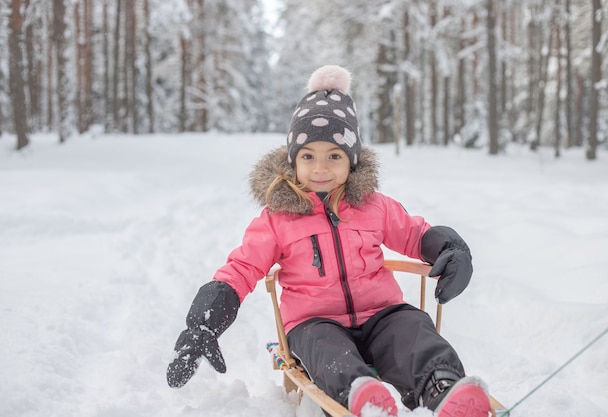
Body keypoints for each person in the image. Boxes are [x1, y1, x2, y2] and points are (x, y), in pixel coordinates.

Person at [166, 65, 490, 417]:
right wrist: (202, 324)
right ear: (293, 161)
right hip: (314, 322)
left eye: (334, 156)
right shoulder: (278, 219)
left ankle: (443, 386)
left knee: (413, 328)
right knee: (327, 349)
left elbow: (414, 232)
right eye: (308, 156)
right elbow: (242, 267)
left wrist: (450, 248)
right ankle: (359, 395)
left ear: (351, 161)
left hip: (381, 313)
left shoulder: (373, 206)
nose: (320, 168)